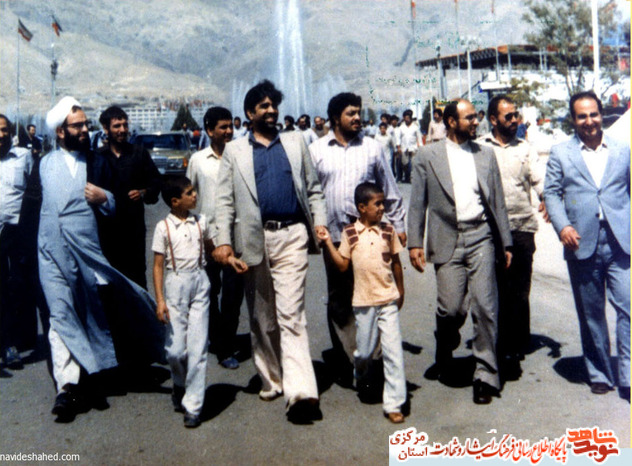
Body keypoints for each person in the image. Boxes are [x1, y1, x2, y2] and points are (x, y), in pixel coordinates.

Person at [39, 97, 164, 422]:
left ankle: (100, 371)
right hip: (51, 251)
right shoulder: (44, 164)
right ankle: (67, 387)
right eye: (77, 125)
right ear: (60, 131)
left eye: (85, 124)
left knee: (94, 312)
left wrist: (104, 197)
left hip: (89, 251)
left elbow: (117, 201)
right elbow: (34, 208)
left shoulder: (98, 163)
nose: (85, 129)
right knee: (60, 314)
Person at [213, 80, 327, 423]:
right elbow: (224, 202)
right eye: (263, 106)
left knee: (291, 314)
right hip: (254, 240)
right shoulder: (235, 151)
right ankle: (272, 378)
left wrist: (319, 223)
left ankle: (301, 392)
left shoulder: (295, 142)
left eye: (274, 105)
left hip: (292, 235)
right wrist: (223, 241)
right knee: (262, 316)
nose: (271, 110)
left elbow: (313, 189)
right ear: (250, 113)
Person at [408, 99, 512, 405]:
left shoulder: (485, 154)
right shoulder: (427, 156)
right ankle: (445, 343)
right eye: (469, 118)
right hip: (446, 238)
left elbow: (498, 202)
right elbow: (417, 203)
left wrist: (505, 242)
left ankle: (485, 375)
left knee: (485, 307)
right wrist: (414, 242)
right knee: (451, 309)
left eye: (476, 117)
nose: (476, 122)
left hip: (481, 237)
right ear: (451, 122)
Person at [309, 92, 406, 387]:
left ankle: (371, 361)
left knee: (372, 295)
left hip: (369, 236)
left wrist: (399, 224)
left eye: (358, 112)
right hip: (334, 235)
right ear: (335, 117)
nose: (357, 118)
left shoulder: (372, 148)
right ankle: (348, 360)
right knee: (340, 299)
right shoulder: (316, 150)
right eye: (350, 113)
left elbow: (389, 188)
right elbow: (310, 191)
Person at [544, 91, 630, 400]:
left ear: (601, 114)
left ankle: (628, 375)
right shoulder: (560, 153)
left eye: (593, 114)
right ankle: (600, 373)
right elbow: (551, 193)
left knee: (628, 307)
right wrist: (563, 226)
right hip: (581, 241)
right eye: (582, 116)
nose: (589, 121)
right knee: (592, 314)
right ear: (573, 119)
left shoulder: (622, 150)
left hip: (621, 241)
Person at [152, 176, 237, 427]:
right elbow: (158, 266)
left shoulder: (201, 222)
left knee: (198, 348)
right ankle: (179, 383)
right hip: (176, 284)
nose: (195, 196)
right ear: (175, 201)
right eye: (189, 193)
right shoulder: (163, 227)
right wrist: (160, 300)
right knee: (175, 350)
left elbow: (213, 250)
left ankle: (193, 406)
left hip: (200, 282)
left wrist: (230, 260)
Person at [319, 182, 406, 424]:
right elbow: (342, 265)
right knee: (365, 351)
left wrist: (400, 290)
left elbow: (397, 263)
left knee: (393, 352)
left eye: (383, 203)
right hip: (363, 301)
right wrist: (328, 242)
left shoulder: (388, 231)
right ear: (362, 207)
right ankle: (360, 369)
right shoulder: (349, 233)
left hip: (387, 299)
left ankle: (394, 403)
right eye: (377, 204)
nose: (382, 208)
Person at [477, 95, 546, 381]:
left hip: (521, 227)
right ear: (493, 120)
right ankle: (501, 345)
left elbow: (539, 180)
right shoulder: (479, 148)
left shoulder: (525, 149)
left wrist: (546, 199)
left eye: (516, 115)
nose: (515, 120)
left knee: (519, 289)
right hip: (489, 229)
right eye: (508, 116)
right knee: (496, 289)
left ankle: (517, 343)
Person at [187, 106, 244, 370]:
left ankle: (226, 346)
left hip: (236, 236)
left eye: (231, 126)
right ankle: (217, 336)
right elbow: (189, 196)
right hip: (207, 238)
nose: (229, 131)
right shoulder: (198, 160)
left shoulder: (241, 157)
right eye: (223, 127)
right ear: (210, 131)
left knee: (233, 295)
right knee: (208, 292)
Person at [97, 106, 161, 288]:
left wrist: (144, 192)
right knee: (109, 283)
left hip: (133, 231)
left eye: (125, 125)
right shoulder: (98, 157)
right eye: (117, 126)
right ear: (106, 128)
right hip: (107, 233)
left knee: (136, 282)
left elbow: (156, 182)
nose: (122, 130)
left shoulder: (139, 153)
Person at [0, 114, 34, 370]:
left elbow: (34, 192)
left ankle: (14, 342)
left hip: (16, 232)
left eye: (4, 130)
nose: (0, 135)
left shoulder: (23, 156)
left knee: (16, 286)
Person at [395, 109, 422, 183]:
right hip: (404, 148)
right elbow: (398, 138)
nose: (407, 119)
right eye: (405, 118)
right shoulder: (401, 127)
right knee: (405, 164)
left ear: (410, 118)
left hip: (413, 148)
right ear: (404, 118)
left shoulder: (415, 127)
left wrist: (420, 147)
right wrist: (398, 147)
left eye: (408, 118)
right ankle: (407, 177)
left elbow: (419, 137)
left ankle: (412, 178)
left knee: (413, 163)